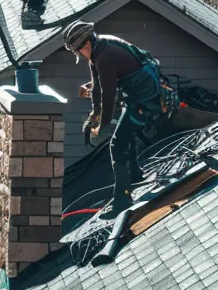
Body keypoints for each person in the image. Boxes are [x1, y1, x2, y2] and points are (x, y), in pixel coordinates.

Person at [63, 20, 171, 219]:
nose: (80, 55)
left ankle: (123, 199)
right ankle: (136, 174)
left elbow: (108, 95)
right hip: (133, 98)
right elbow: (96, 87)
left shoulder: (105, 57)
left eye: (78, 51)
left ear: (85, 44)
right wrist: (93, 116)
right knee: (124, 132)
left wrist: (102, 125)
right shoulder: (100, 48)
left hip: (145, 100)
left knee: (116, 145)